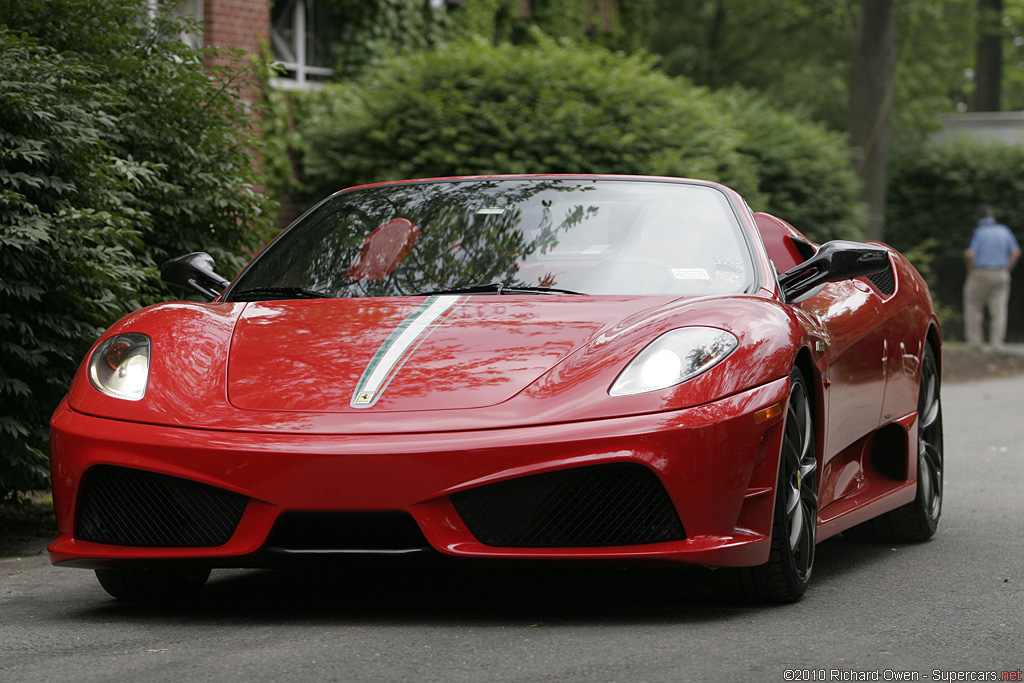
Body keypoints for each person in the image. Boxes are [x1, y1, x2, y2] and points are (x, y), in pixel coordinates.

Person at [963, 204, 1021, 350]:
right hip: (1001, 273)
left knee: (973, 307)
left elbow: (970, 253)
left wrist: (970, 268)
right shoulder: (1004, 230)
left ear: (979, 218)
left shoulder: (978, 231)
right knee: (999, 310)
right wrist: (1008, 268)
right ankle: (997, 344)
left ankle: (975, 343)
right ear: (992, 216)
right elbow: (1015, 252)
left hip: (980, 272)